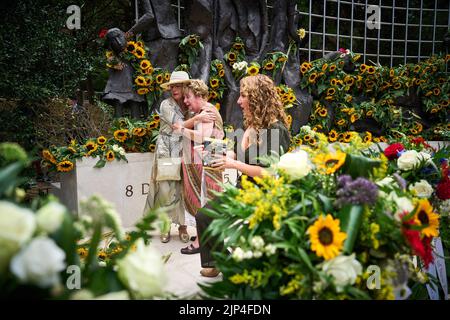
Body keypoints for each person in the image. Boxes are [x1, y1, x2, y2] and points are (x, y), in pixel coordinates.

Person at [195, 74, 291, 277]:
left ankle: (231, 265)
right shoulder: (252, 125)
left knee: (209, 216)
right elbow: (236, 152)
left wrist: (232, 163)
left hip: (262, 194)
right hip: (243, 190)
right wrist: (216, 156)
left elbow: (267, 173)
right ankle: (218, 261)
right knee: (204, 215)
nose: (238, 101)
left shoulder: (276, 130)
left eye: (243, 96)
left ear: (257, 97)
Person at [143, 71, 215, 243]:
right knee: (166, 189)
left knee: (184, 188)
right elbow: (177, 126)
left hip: (185, 149)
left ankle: (183, 227)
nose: (173, 89)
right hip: (167, 150)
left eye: (177, 85)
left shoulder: (189, 104)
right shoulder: (166, 105)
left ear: (185, 87)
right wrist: (198, 117)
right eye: (171, 86)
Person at [172, 79, 224, 254]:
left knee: (205, 200)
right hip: (211, 159)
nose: (185, 101)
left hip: (208, 161)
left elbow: (203, 137)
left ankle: (200, 243)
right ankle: (205, 236)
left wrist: (182, 130)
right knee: (207, 199)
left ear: (199, 96)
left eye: (188, 97)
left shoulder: (207, 111)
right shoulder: (204, 111)